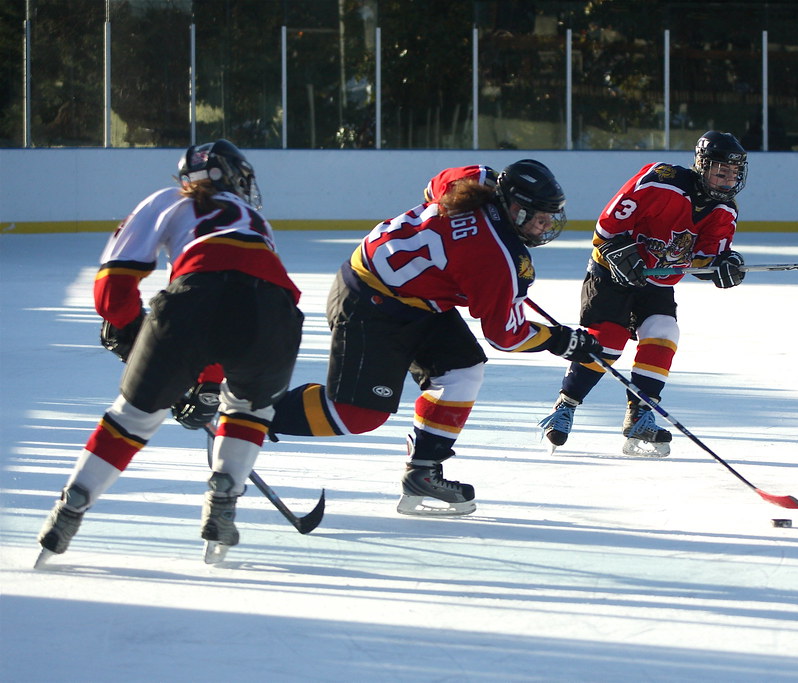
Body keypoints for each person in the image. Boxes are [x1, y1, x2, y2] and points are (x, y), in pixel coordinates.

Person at [267, 160, 601, 516]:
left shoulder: (478, 178)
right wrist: (560, 340)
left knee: (463, 372)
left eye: (551, 217)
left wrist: (464, 258)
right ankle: (252, 411)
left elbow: (433, 190)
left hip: (416, 297)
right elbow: (505, 336)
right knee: (357, 415)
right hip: (369, 299)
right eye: (539, 217)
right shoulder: (499, 258)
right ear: (515, 209)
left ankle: (422, 471)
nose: (547, 225)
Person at [36, 139, 304, 566]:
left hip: (195, 301)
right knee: (249, 410)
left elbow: (113, 289)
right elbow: (238, 307)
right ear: (231, 175)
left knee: (133, 418)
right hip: (276, 313)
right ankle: (224, 499)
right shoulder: (255, 219)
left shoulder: (167, 201)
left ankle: (69, 510)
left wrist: (131, 332)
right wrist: (209, 382)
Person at [538, 131, 749, 457]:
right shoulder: (660, 181)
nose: (727, 179)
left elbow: (707, 258)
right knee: (607, 341)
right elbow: (608, 226)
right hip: (611, 276)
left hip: (659, 283)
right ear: (702, 165)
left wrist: (724, 267)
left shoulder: (725, 210)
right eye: (721, 170)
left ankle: (640, 414)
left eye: (733, 173)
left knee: (664, 332)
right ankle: (566, 405)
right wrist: (617, 251)